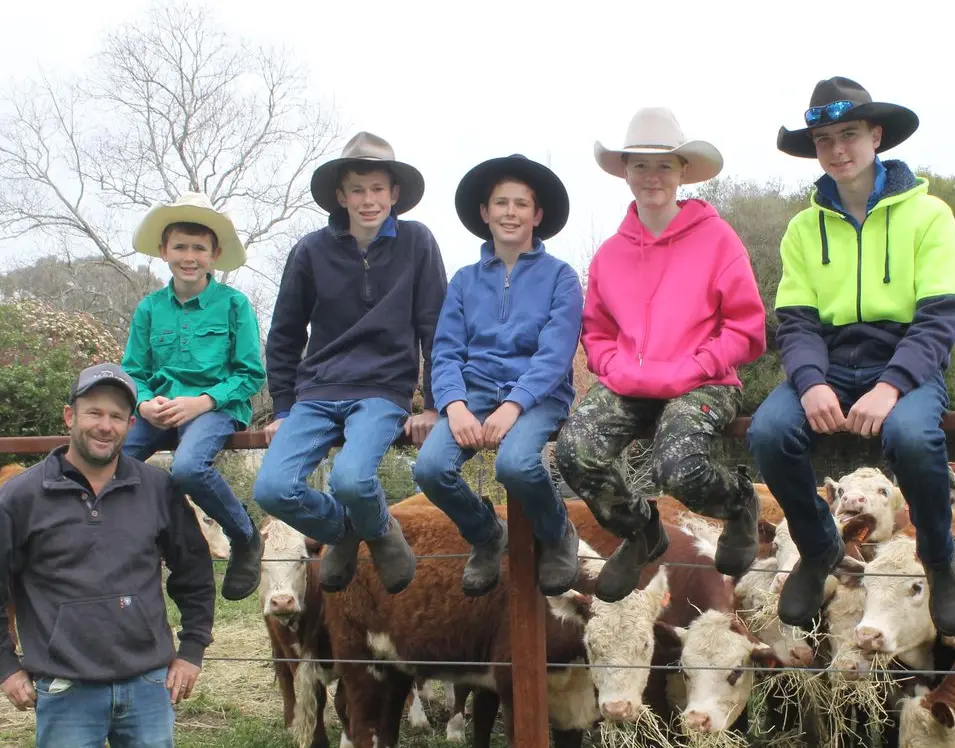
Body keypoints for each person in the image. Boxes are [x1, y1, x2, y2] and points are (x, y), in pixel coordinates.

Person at [745, 76, 955, 634]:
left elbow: (940, 315)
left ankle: (940, 560)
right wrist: (811, 381)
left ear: (876, 136)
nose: (838, 149)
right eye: (824, 139)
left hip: (905, 358)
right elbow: (795, 321)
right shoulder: (803, 228)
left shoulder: (930, 215)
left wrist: (891, 385)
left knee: (915, 438)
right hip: (828, 360)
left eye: (849, 134)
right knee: (770, 432)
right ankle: (820, 545)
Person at [555, 107, 768, 604]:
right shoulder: (610, 253)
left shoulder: (718, 239)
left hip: (703, 379)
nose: (652, 176)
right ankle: (641, 530)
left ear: (682, 172)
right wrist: (612, 367)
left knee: (680, 466)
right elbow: (598, 329)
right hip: (631, 381)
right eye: (640, 165)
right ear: (625, 173)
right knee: (574, 450)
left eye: (664, 165)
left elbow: (747, 326)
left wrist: (696, 366)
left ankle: (739, 505)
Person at [0, 364, 215, 748]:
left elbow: (194, 572)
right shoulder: (21, 497)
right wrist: (4, 666)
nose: (105, 426)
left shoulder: (157, 488)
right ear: (69, 416)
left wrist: (192, 650)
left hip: (148, 685)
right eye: (94, 413)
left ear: (130, 424)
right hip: (66, 689)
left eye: (116, 416)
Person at [253, 131, 446, 595]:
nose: (368, 200)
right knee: (272, 488)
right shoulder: (310, 251)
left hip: (382, 391)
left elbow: (435, 330)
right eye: (357, 190)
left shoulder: (417, 243)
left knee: (352, 479)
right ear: (340, 195)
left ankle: (377, 530)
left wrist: (434, 404)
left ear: (394, 193)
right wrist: (282, 407)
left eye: (378, 189)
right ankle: (350, 530)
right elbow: (284, 333)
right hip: (317, 393)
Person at [413, 154, 584, 597]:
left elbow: (555, 352)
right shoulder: (465, 281)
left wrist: (514, 406)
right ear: (485, 213)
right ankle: (486, 534)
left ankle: (558, 531)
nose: (511, 212)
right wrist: (454, 405)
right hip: (473, 392)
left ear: (537, 215)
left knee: (517, 464)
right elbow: (446, 349)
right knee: (431, 469)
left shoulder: (561, 277)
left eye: (521, 204)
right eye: (501, 203)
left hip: (538, 394)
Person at [121, 191, 267, 601]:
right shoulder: (150, 309)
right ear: (164, 251)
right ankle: (140, 547)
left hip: (215, 408)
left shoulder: (234, 305)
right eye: (180, 247)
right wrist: (144, 402)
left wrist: (202, 401)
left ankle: (244, 536)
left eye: (199, 248)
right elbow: (133, 372)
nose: (189, 256)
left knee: (187, 467)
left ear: (214, 254)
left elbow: (250, 373)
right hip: (159, 409)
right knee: (112, 464)